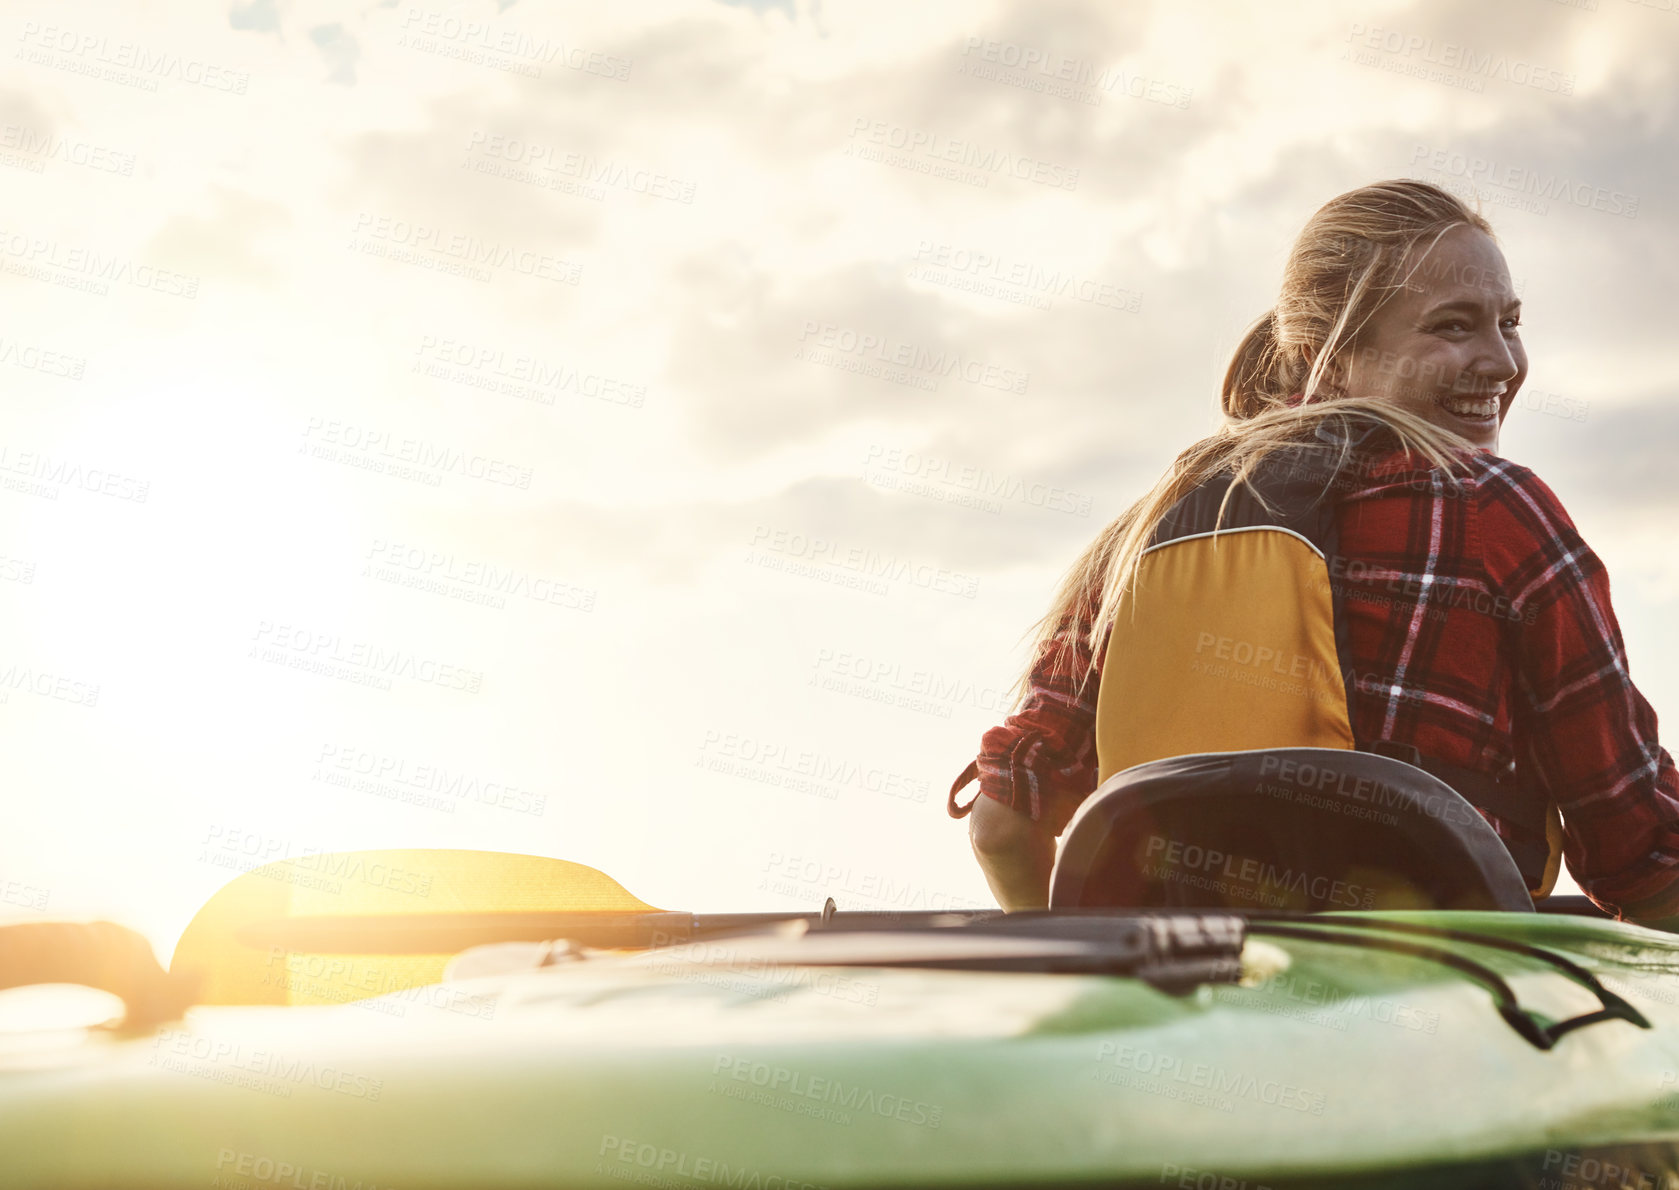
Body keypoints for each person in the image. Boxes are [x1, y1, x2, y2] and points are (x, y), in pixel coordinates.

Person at [951, 180, 1679, 919]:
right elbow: (1638, 862)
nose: (1501, 361)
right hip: (1430, 1004)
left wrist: (1078, 956)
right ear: (1327, 359)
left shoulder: (1144, 534)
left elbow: (1003, 826)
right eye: (1453, 327)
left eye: (1509, 322)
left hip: (1178, 1008)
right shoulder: (1496, 511)